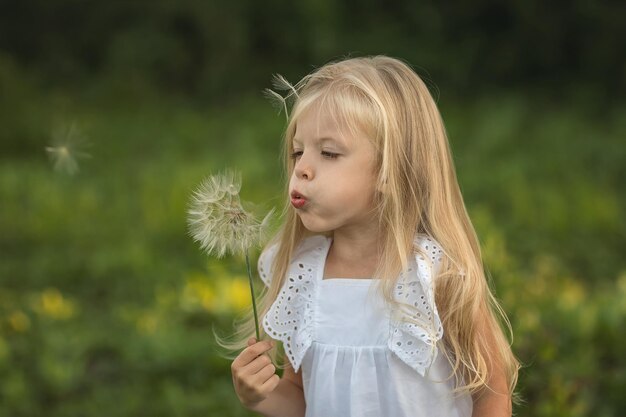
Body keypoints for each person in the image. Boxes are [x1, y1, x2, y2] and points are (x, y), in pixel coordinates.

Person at [226, 55, 519, 417]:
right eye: (297, 151)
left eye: (329, 153)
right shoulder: (301, 275)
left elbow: (491, 391)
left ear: (389, 170)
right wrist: (258, 396)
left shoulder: (433, 274)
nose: (302, 168)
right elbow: (301, 396)